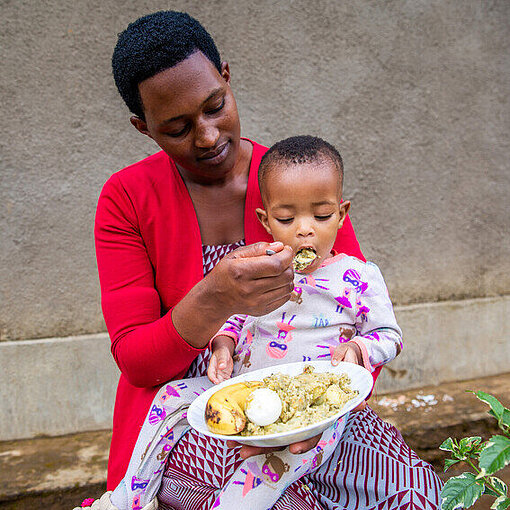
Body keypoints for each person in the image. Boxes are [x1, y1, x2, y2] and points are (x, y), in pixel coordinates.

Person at [91, 10, 442, 510]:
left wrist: (316, 411)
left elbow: (356, 314)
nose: (208, 136)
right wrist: (217, 297)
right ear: (143, 128)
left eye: (216, 106)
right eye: (176, 128)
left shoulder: (295, 184)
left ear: (227, 78)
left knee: (413, 494)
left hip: (315, 407)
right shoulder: (126, 199)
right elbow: (138, 360)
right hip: (197, 417)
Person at [208, 135, 403, 390]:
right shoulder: (259, 271)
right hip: (252, 397)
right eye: (286, 219)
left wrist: (357, 348)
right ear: (266, 221)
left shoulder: (358, 277)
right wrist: (223, 347)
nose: (304, 229)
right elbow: (232, 319)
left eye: (322, 216)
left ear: (341, 215)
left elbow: (390, 336)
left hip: (324, 402)